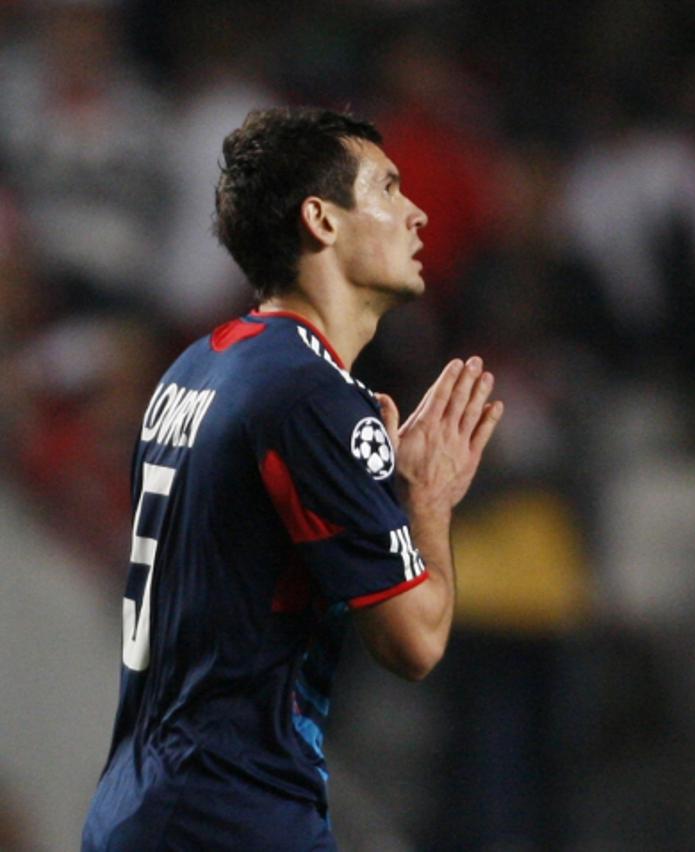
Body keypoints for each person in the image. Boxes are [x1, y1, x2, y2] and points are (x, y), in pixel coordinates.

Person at [81, 107, 504, 850]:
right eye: (388, 188)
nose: (417, 213)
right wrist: (425, 499)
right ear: (322, 219)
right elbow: (415, 641)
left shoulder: (199, 363)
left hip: (141, 804)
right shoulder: (308, 397)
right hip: (231, 815)